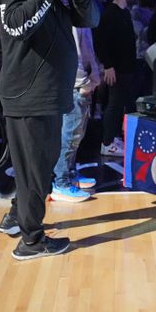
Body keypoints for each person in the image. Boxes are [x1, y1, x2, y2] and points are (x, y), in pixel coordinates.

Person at [0, 0, 98, 260]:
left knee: (35, 170)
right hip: (30, 95)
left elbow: (90, 19)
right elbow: (18, 26)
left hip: (49, 95)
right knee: (35, 172)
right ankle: (31, 240)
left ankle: (17, 219)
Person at [51, 23, 101, 203]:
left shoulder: (79, 13)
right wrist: (83, 83)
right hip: (75, 86)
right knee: (69, 136)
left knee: (75, 136)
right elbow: (72, 54)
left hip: (81, 85)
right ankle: (61, 184)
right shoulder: (71, 16)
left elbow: (86, 49)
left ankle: (69, 176)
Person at [95, 0, 138, 157]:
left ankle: (112, 137)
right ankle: (107, 142)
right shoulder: (110, 14)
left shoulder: (124, 13)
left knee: (120, 103)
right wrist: (109, 66)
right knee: (114, 104)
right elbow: (101, 42)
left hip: (127, 67)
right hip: (116, 68)